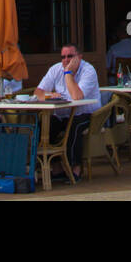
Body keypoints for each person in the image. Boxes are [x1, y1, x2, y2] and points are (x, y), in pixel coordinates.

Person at [34, 42, 101, 181]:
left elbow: (77, 97)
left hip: (87, 114)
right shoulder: (55, 69)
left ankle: (75, 169)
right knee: (44, 127)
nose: (66, 60)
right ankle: (56, 168)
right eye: (63, 57)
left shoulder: (88, 70)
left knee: (74, 127)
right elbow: (38, 91)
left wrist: (68, 73)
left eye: (70, 56)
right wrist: (48, 95)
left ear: (79, 57)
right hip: (62, 113)